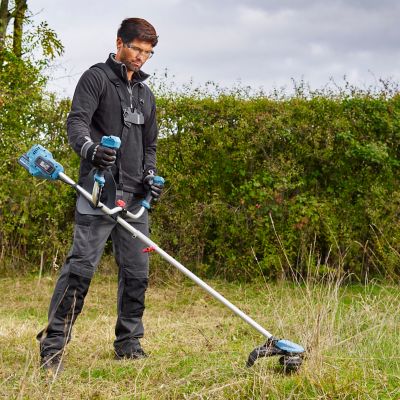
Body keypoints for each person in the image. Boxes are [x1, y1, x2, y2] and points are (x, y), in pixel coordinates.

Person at [37, 17, 163, 376]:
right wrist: (91, 150)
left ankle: (128, 343)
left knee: (137, 273)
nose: (141, 57)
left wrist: (150, 176)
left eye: (148, 53)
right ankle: (52, 347)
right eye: (137, 49)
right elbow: (76, 122)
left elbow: (150, 146)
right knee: (80, 270)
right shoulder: (96, 78)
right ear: (119, 42)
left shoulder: (145, 94)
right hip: (98, 191)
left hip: (136, 199)